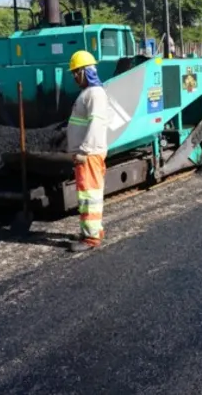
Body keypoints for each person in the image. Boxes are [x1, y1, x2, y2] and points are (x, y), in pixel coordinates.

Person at [66, 50, 111, 253]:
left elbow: (96, 125)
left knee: (89, 197)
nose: (75, 77)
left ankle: (91, 238)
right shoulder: (88, 93)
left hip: (89, 155)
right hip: (85, 154)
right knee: (87, 196)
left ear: (87, 72)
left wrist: (84, 150)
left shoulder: (95, 94)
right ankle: (92, 230)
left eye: (77, 72)